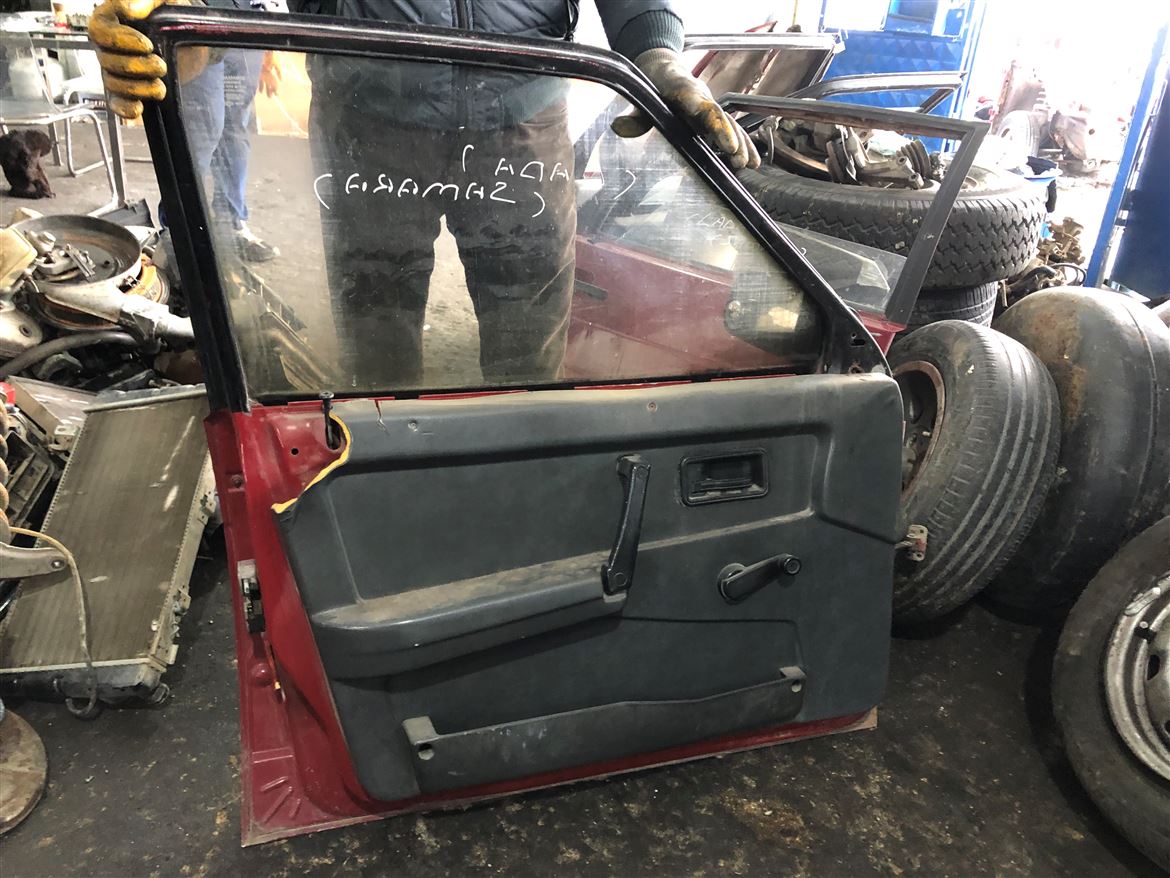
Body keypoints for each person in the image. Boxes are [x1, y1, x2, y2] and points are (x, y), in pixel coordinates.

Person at [90, 0, 760, 386]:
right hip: (369, 114)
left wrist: (654, 49)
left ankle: (523, 474)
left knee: (527, 332)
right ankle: (385, 481)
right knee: (376, 329)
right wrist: (187, 9)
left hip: (519, 114)